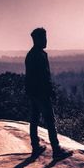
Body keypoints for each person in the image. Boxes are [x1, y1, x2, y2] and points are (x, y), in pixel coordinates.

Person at [25, 28, 72, 159]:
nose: (46, 41)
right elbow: (44, 77)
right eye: (44, 38)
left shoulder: (31, 55)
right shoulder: (39, 55)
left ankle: (36, 147)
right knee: (50, 121)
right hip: (41, 93)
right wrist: (49, 91)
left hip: (33, 92)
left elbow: (30, 77)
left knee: (34, 119)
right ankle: (56, 150)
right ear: (37, 40)